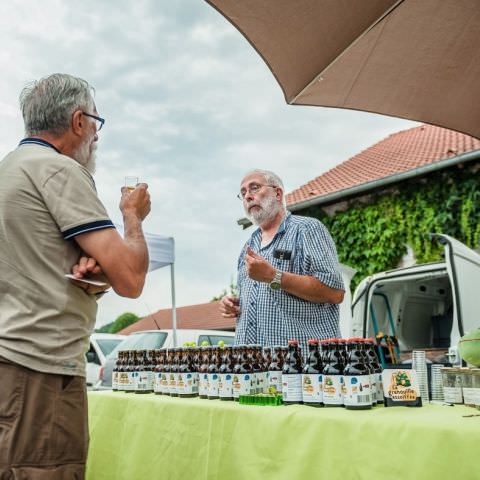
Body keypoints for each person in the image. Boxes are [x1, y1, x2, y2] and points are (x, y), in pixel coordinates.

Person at [0, 73, 151, 479]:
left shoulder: (10, 170)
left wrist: (93, 280)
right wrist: (132, 216)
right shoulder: (57, 170)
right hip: (39, 368)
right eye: (96, 125)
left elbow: (33, 269)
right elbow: (132, 278)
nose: (96, 139)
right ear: (78, 121)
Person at [220, 169, 345, 349]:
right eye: (243, 193)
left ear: (277, 193)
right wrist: (235, 305)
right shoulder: (248, 246)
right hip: (254, 367)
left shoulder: (307, 229)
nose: (247, 196)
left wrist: (274, 277)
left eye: (254, 188)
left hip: (301, 365)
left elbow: (334, 292)